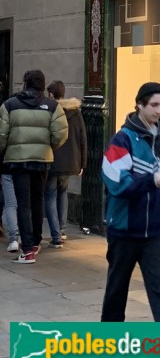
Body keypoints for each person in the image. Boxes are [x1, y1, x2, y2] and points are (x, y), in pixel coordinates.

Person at [100, 82, 160, 322]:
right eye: (154, 105)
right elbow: (116, 181)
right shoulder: (122, 140)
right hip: (124, 230)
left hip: (157, 231)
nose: (159, 110)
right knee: (117, 290)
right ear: (139, 105)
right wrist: (150, 181)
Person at [0, 70, 68, 264]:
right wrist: (47, 147)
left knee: (23, 202)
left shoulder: (10, 105)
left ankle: (27, 249)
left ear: (25, 83)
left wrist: (6, 151)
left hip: (18, 160)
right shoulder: (53, 106)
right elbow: (60, 134)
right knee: (38, 199)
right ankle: (36, 242)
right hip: (42, 159)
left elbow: (1, 134)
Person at [44, 81, 87, 248]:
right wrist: (82, 162)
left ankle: (55, 234)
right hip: (70, 161)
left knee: (50, 196)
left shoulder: (50, 110)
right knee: (63, 193)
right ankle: (62, 229)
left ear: (51, 95)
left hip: (52, 160)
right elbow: (82, 137)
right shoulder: (76, 112)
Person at [1, 172, 19, 253]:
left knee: (10, 205)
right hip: (24, 168)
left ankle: (13, 239)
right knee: (24, 205)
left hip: (6, 170)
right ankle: (26, 237)